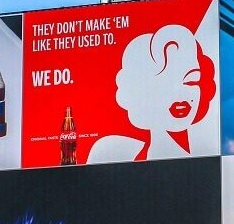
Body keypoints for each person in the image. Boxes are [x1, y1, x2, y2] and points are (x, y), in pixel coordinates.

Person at [87, 24, 218, 164]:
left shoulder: (208, 158)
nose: (180, 93)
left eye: (191, 81)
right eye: (164, 84)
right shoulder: (111, 150)